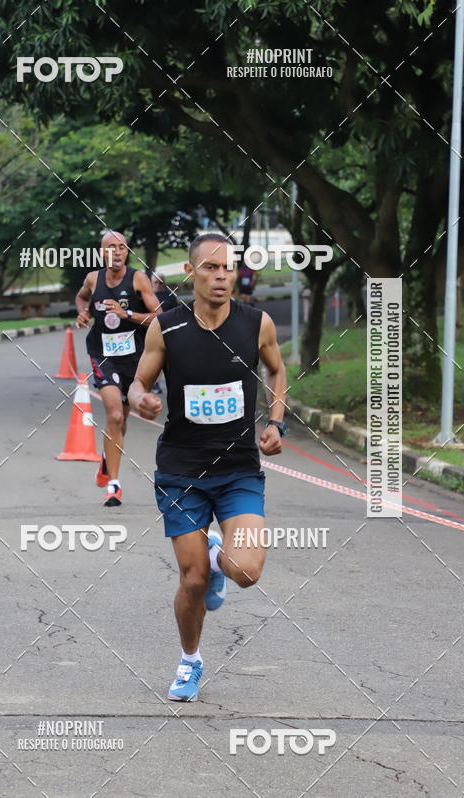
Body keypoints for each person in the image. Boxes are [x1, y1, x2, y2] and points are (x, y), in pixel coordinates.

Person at [128, 233, 288, 701]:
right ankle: (190, 661)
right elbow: (139, 381)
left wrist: (277, 422)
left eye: (228, 267)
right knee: (193, 579)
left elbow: (277, 370)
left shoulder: (257, 323)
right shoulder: (167, 327)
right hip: (181, 472)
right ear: (191, 273)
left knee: (246, 571)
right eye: (211, 268)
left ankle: (220, 555)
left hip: (239, 469)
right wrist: (142, 400)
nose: (222, 276)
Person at [75, 231, 161, 506]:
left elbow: (160, 317)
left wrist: (128, 315)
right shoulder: (93, 279)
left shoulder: (138, 279)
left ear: (127, 252)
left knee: (122, 420)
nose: (117, 252)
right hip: (102, 354)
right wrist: (83, 312)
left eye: (122, 247)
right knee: (113, 414)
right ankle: (113, 484)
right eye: (111, 247)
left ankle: (106, 460)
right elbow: (81, 298)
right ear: (103, 253)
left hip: (135, 357)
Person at [150, 274, 178, 393]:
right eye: (155, 282)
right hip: (150, 330)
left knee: (165, 359)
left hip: (167, 330)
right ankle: (149, 382)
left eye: (160, 282)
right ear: (151, 283)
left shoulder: (169, 296)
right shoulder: (147, 296)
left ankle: (157, 383)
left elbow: (176, 313)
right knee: (153, 358)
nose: (158, 285)